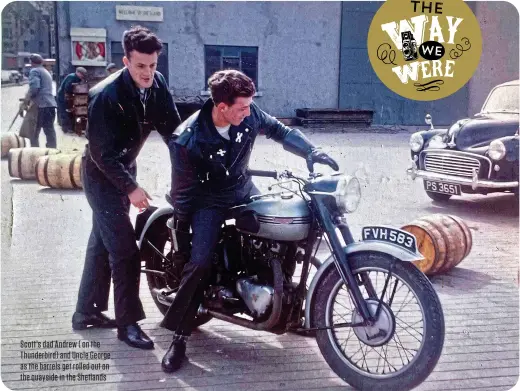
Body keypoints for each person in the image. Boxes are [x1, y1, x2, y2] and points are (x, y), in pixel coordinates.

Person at [160, 69, 339, 372]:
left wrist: (313, 150)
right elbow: (183, 194)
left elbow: (280, 131)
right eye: (241, 108)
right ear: (221, 107)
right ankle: (180, 336)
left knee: (284, 232)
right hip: (207, 200)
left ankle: (283, 305)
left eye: (249, 106)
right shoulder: (187, 140)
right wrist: (182, 239)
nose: (248, 112)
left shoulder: (249, 111)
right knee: (200, 262)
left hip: (241, 187)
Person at [72, 26, 181, 350]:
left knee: (101, 244)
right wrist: (132, 188)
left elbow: (173, 131)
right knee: (125, 250)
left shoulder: (156, 84)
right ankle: (127, 324)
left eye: (152, 65)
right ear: (125, 61)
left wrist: (194, 163)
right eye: (140, 66)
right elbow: (102, 154)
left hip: (123, 170)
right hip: (101, 176)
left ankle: (85, 313)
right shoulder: (104, 96)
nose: (148, 73)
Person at [23, 54, 57, 148]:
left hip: (40, 105)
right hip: (50, 105)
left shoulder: (34, 71)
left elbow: (34, 88)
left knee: (34, 131)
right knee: (49, 130)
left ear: (31, 62)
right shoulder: (46, 72)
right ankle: (52, 151)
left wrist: (27, 100)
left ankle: (35, 153)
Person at [56, 67, 87, 133]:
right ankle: (65, 129)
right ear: (78, 72)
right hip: (62, 96)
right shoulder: (72, 77)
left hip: (67, 97)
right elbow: (67, 88)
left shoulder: (77, 78)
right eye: (82, 74)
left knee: (69, 112)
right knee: (64, 112)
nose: (83, 76)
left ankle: (70, 128)